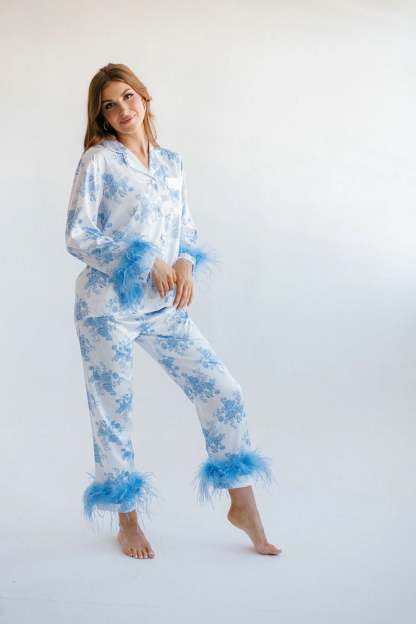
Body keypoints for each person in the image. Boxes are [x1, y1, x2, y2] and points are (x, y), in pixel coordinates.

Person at [65, 62, 281, 558]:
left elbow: (185, 227)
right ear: (101, 116)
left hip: (162, 307)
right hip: (107, 308)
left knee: (223, 390)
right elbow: (78, 235)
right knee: (113, 413)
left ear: (144, 98)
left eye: (128, 97)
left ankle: (243, 504)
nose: (122, 110)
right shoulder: (99, 161)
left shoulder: (170, 163)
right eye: (109, 105)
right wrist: (145, 260)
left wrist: (184, 262)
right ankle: (127, 521)